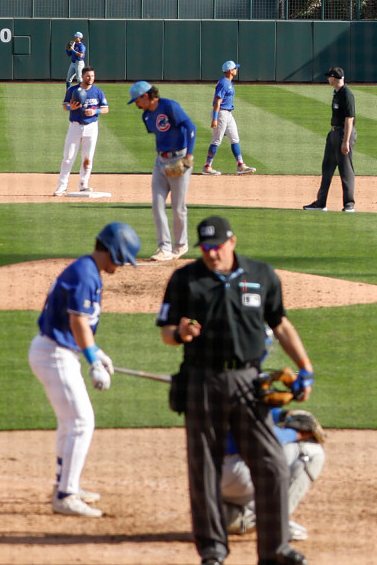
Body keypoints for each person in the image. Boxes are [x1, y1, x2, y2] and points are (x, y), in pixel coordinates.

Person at [158, 215, 315, 565]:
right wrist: (179, 331)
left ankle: (274, 548)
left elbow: (281, 324)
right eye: (205, 249)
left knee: (272, 463)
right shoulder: (185, 279)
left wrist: (305, 366)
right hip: (201, 380)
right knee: (204, 468)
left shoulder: (261, 276)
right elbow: (166, 332)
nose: (212, 254)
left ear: (232, 242)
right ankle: (212, 549)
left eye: (217, 247)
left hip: (248, 380)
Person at [29, 221, 139, 517]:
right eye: (123, 259)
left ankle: (66, 485)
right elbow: (78, 322)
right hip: (54, 354)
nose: (124, 265)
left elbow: (77, 322)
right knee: (81, 422)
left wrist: (97, 352)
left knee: (71, 422)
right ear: (114, 252)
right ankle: (65, 496)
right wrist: (92, 361)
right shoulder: (85, 274)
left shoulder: (87, 270)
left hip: (56, 351)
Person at [222, 407, 327, 542]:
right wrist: (296, 434)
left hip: (210, 476)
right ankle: (277, 523)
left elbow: (249, 409)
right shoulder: (241, 392)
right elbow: (265, 433)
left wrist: (283, 414)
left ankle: (232, 517)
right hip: (238, 473)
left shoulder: (210, 393)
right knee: (312, 451)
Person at [129, 80, 195, 262]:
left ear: (145, 96)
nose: (136, 104)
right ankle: (164, 248)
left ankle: (181, 245)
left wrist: (188, 156)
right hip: (160, 162)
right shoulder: (146, 117)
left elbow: (191, 127)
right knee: (157, 205)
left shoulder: (170, 106)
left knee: (178, 207)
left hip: (179, 158)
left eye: (137, 100)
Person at [303, 67, 357, 212]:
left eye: (329, 77)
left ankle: (349, 205)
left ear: (334, 78)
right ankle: (321, 203)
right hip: (333, 134)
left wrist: (346, 141)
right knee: (327, 168)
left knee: (346, 171)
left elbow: (349, 118)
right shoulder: (337, 93)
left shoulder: (346, 94)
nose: (327, 79)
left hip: (343, 134)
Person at [55, 66, 109, 196]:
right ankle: (62, 187)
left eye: (93, 76)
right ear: (83, 76)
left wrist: (95, 111)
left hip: (91, 127)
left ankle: (84, 184)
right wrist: (71, 107)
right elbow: (65, 106)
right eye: (88, 76)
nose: (91, 78)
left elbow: (105, 109)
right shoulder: (72, 90)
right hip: (75, 126)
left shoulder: (98, 92)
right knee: (68, 157)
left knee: (87, 158)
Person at [201, 60, 256, 175]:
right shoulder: (224, 83)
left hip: (228, 114)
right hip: (221, 113)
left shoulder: (228, 82)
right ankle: (207, 167)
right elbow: (217, 101)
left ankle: (240, 165)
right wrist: (215, 118)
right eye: (235, 68)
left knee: (234, 138)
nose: (236, 70)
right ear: (230, 71)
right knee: (216, 140)